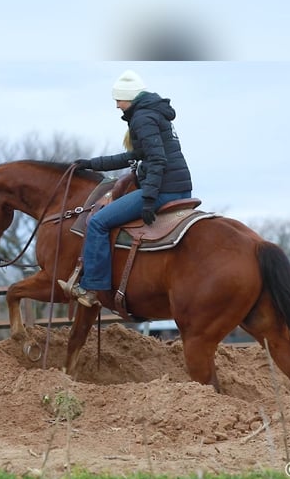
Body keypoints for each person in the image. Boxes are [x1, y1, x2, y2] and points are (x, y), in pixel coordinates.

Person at [59, 69, 193, 308]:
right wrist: (91, 164)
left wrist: (150, 199)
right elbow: (135, 156)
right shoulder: (155, 114)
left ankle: (92, 288)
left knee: (98, 222)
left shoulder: (142, 119)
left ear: (128, 98)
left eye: (118, 100)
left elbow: (157, 160)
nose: (117, 106)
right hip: (179, 187)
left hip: (164, 190)